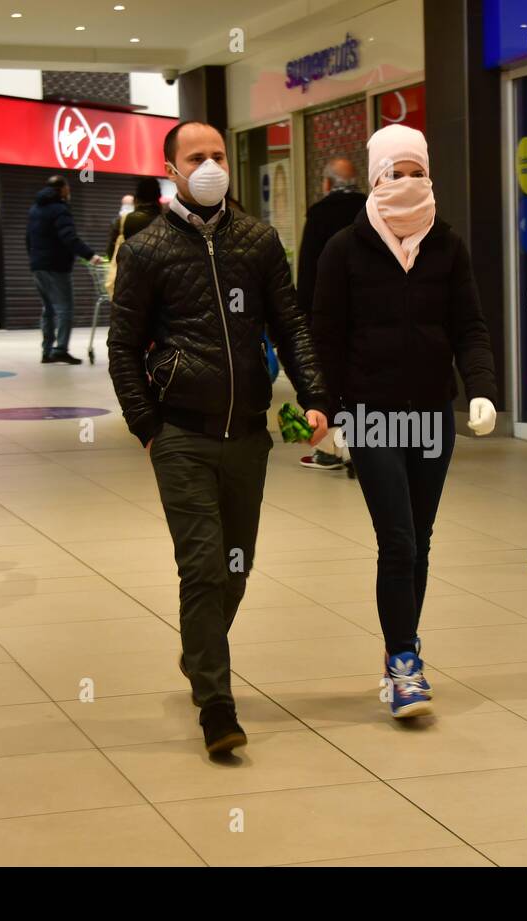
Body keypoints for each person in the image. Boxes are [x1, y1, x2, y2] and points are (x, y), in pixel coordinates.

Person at [108, 121, 331, 754]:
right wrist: (147, 427)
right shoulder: (148, 248)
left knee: (237, 565)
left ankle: (197, 649)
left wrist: (315, 395)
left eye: (218, 156)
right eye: (196, 157)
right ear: (172, 169)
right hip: (180, 432)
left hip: (248, 436)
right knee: (203, 565)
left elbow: (291, 324)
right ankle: (217, 704)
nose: (210, 166)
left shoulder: (257, 241)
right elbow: (122, 346)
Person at [312, 124, 498, 719]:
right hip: (371, 415)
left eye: (418, 170)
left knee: (419, 542)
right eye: (398, 172)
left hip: (429, 414)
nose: (410, 182)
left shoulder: (446, 244)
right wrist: (335, 412)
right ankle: (402, 664)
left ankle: (405, 641)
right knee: (396, 540)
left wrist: (482, 390)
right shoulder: (345, 248)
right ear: (375, 177)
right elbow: (326, 337)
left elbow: (469, 325)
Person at [296, 158, 367, 471]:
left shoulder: (319, 215)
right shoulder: (370, 209)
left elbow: (308, 270)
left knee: (326, 377)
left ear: (327, 183)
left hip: (328, 311)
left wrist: (303, 312)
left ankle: (330, 450)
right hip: (366, 312)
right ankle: (361, 447)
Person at [26, 174, 102, 365]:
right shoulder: (60, 209)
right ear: (61, 189)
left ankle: (47, 350)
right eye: (68, 188)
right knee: (64, 308)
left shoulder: (35, 209)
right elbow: (68, 237)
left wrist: (35, 259)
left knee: (48, 309)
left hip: (38, 266)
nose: (69, 192)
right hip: (56, 266)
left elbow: (28, 239)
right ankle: (60, 349)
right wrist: (90, 255)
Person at [106, 178, 162, 258]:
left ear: (136, 198)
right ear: (159, 197)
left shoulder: (122, 222)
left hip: (128, 269)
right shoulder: (168, 221)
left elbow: (111, 252)